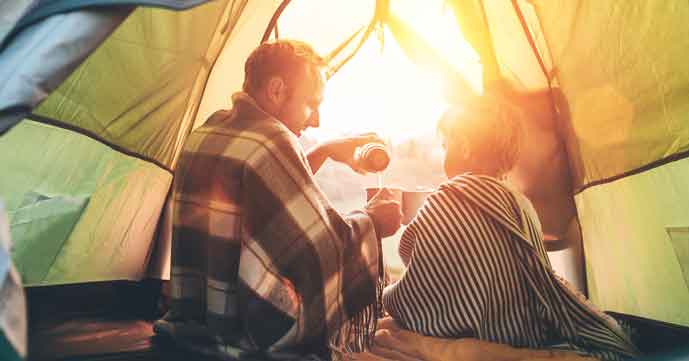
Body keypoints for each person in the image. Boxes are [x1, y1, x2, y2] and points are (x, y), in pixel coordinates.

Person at [156, 40, 402, 358]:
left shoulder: (212, 128)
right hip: (247, 331)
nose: (315, 120)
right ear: (276, 90)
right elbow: (320, 248)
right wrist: (373, 222)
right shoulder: (272, 138)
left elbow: (266, 200)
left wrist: (324, 151)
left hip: (198, 316)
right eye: (312, 104)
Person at [381, 98, 640, 361]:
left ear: (466, 147)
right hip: (526, 330)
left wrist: (387, 297)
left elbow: (424, 280)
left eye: (447, 146)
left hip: (485, 335)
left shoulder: (449, 197)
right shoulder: (520, 201)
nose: (444, 156)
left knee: (381, 329)